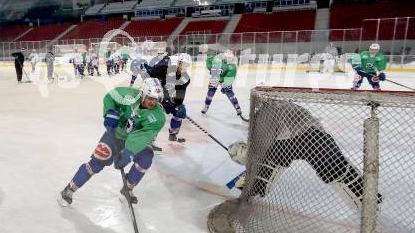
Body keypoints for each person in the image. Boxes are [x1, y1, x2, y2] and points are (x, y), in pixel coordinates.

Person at [227, 100, 383, 210]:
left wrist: (246, 155)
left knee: (269, 161)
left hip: (292, 143)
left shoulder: (265, 112)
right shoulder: (288, 104)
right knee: (340, 170)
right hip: (318, 138)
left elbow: (260, 147)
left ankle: (254, 189)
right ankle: (369, 200)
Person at [58, 78, 165, 206]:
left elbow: (142, 136)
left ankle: (128, 188)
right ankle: (70, 189)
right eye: (149, 97)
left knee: (146, 158)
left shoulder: (158, 117)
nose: (152, 102)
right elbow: (110, 97)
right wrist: (110, 112)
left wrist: (128, 152)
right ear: (143, 93)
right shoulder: (128, 94)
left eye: (156, 98)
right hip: (115, 134)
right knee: (96, 162)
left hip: (135, 141)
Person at [145, 52, 191, 143]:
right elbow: (149, 76)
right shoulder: (166, 69)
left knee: (180, 110)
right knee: (156, 116)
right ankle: (150, 139)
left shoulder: (186, 78)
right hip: (157, 96)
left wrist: (176, 102)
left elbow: (180, 96)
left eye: (187, 65)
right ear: (179, 63)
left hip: (168, 98)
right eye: (184, 64)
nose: (185, 67)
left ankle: (173, 134)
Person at [201, 50, 242, 116]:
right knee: (210, 93)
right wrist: (211, 69)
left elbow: (229, 77)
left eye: (230, 58)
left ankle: (237, 107)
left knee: (229, 93)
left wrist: (225, 85)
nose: (229, 59)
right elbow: (209, 60)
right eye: (227, 57)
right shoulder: (218, 60)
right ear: (224, 57)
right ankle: (206, 106)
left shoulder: (232, 66)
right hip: (215, 77)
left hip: (224, 79)